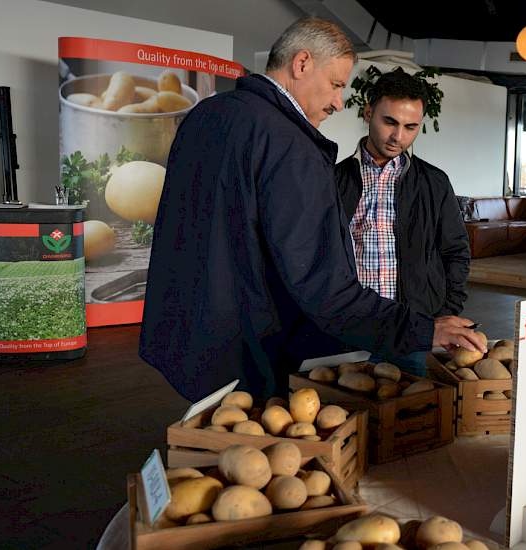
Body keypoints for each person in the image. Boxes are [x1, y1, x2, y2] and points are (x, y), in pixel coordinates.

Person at [139, 18, 484, 401]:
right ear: (302, 64)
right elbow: (324, 286)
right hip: (249, 351)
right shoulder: (291, 144)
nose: (338, 102)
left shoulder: (205, 115)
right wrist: (421, 329)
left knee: (207, 442)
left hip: (188, 339)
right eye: (336, 84)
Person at [335, 69, 471, 376]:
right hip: (350, 332)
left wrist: (444, 313)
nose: (399, 137)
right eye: (390, 122)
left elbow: (456, 252)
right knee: (347, 414)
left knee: (413, 418)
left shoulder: (434, 183)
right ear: (369, 112)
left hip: (415, 331)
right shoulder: (333, 180)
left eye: (411, 127)